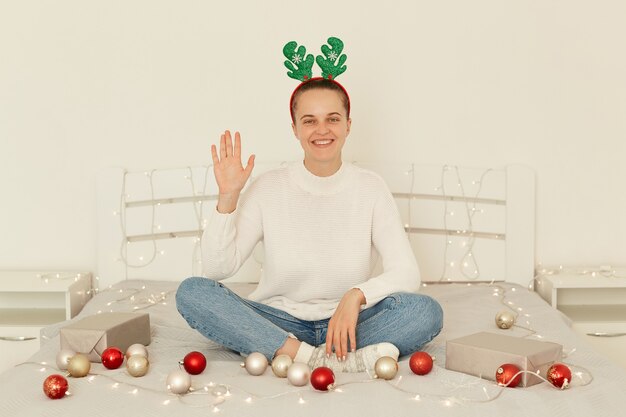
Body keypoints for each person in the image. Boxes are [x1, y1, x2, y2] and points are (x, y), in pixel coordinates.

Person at [176, 78, 443, 373]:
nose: (322, 130)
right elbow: (217, 269)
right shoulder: (267, 187)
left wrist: (355, 296)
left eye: (332, 119)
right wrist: (227, 197)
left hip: (348, 325)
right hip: (278, 321)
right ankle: (313, 357)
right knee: (192, 292)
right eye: (309, 121)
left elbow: (406, 272)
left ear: (348, 125)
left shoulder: (370, 187)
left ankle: (294, 352)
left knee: (425, 312)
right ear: (295, 128)